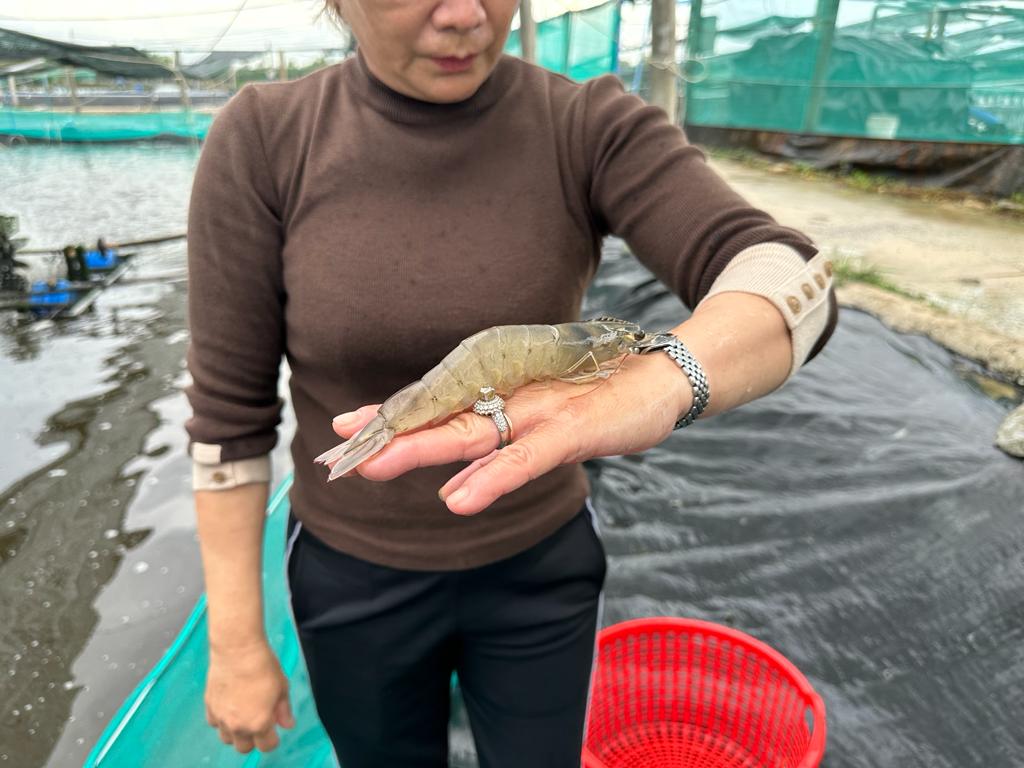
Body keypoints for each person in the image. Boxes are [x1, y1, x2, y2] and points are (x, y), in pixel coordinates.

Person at [185, 0, 838, 765]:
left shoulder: (587, 121)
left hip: (540, 563)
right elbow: (228, 418)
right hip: (349, 573)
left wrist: (665, 382)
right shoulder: (264, 135)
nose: (464, 13)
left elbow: (792, 276)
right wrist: (235, 643)